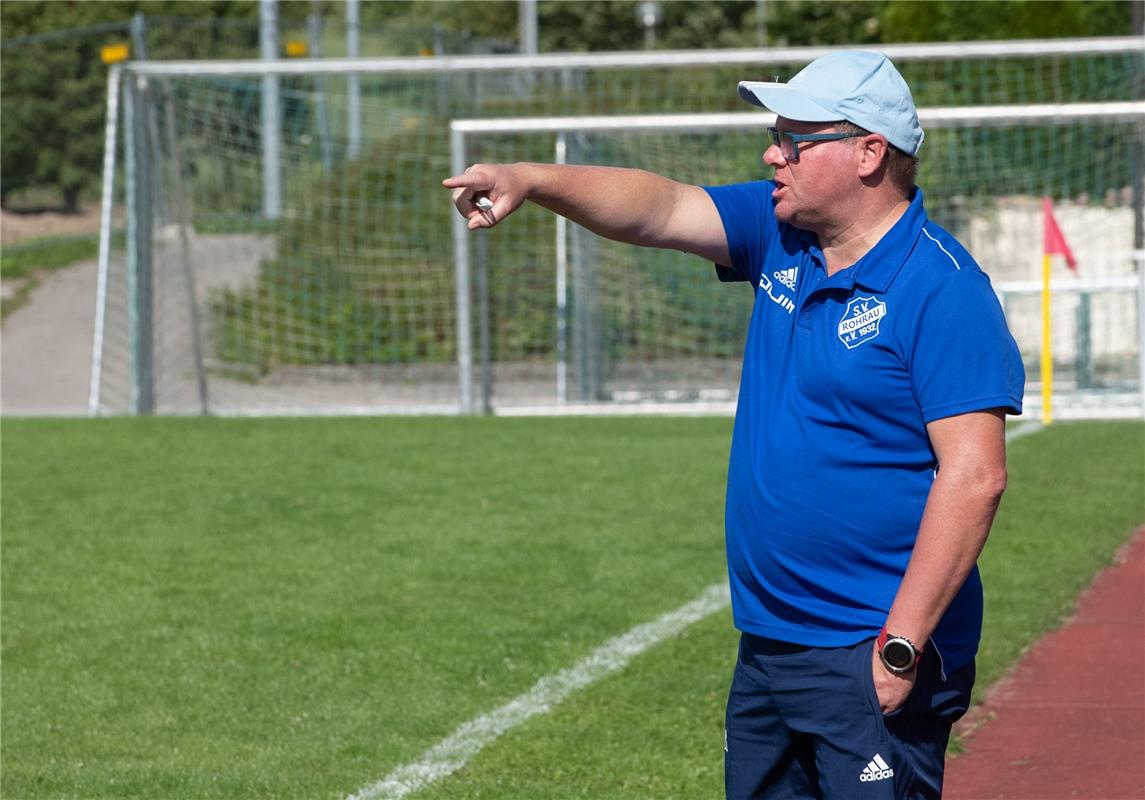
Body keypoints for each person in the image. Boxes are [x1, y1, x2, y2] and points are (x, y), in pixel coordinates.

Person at [443, 50, 1024, 800]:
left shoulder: (943, 290)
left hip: (868, 647)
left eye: (793, 139)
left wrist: (901, 650)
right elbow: (658, 207)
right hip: (769, 644)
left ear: (869, 153)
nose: (771, 153)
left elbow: (974, 478)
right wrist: (534, 179)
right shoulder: (778, 234)